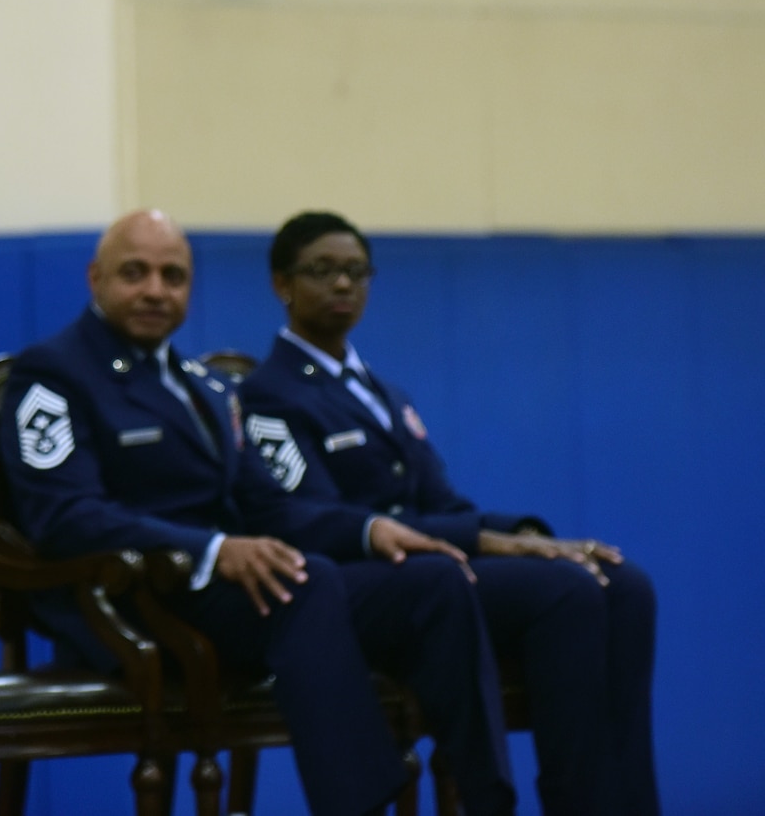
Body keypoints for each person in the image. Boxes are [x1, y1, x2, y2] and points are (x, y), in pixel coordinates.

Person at [0, 209, 515, 816]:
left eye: (173, 276)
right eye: (134, 273)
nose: (155, 291)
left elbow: (269, 504)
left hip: (239, 590)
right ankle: (361, 806)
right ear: (95, 279)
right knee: (308, 581)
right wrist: (213, 551)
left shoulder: (206, 387)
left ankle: (488, 803)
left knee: (433, 583)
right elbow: (65, 517)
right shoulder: (54, 374)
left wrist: (372, 532)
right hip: (138, 597)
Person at [240, 211, 659, 815]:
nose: (342, 285)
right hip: (378, 586)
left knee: (625, 587)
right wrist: (498, 547)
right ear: (283, 284)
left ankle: (630, 804)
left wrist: (525, 534)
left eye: (357, 272)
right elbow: (316, 516)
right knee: (565, 592)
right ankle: (579, 803)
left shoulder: (384, 393)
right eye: (323, 271)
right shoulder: (268, 394)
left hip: (440, 568)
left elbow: (444, 503)